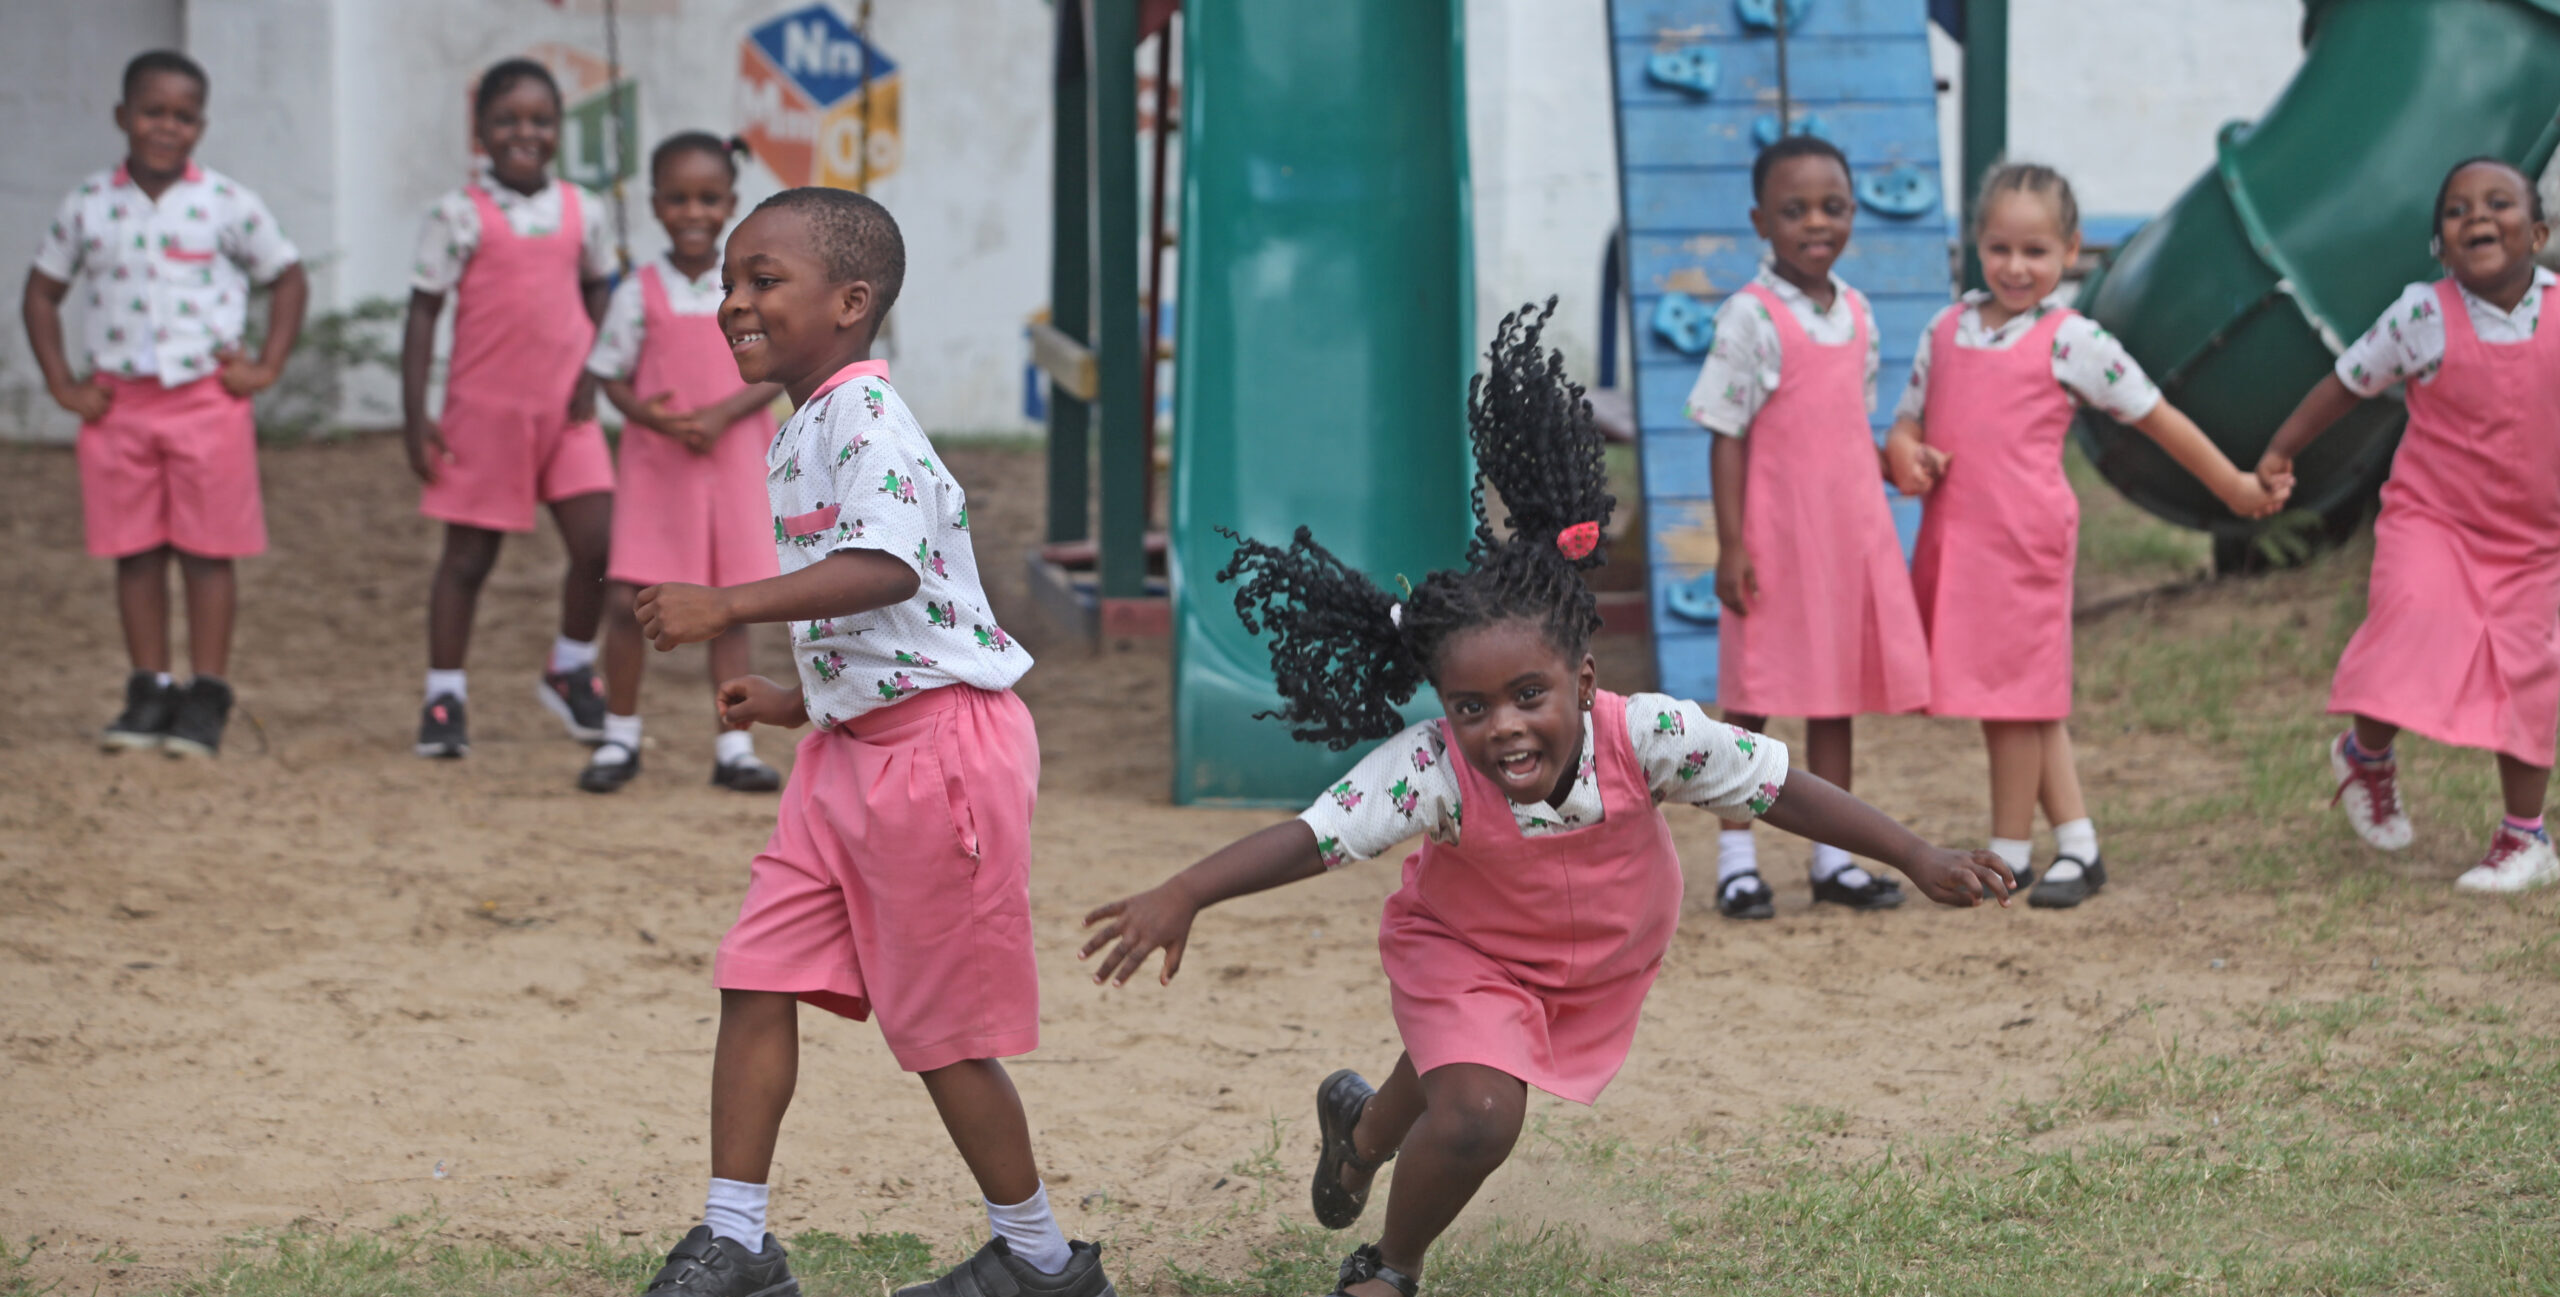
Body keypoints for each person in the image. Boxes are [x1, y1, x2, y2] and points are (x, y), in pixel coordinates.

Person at [1081, 301, 2014, 1297]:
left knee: (1462, 1071)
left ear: (1581, 675)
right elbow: (1312, 840)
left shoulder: (1647, 732)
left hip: (1597, 955)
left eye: (1529, 695)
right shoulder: (1430, 768)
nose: (1503, 727)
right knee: (1482, 1110)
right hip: (1470, 948)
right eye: (1470, 705)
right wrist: (1184, 891)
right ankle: (1385, 1269)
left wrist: (1913, 854)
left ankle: (1359, 1130)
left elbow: (1779, 784)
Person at [628, 188, 1113, 1297]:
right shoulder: (806, 420)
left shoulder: (864, 416)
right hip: (843, 757)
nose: (734, 302)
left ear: (850, 303)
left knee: (940, 1032)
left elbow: (889, 565)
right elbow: (896, 610)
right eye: (729, 284)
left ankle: (1041, 1261)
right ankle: (736, 1238)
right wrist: (799, 698)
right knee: (756, 971)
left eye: (763, 281)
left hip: (937, 758)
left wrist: (727, 603)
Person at [1882, 163, 2285, 908]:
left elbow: (2156, 415)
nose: (2015, 266)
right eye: (2000, 248)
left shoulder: (2076, 341)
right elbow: (1906, 420)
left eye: (2036, 251)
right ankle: (2080, 844)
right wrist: (1906, 452)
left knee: (2012, 702)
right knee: (2026, 700)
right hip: (1957, 540)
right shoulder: (1944, 331)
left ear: (2071, 252)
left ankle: (2007, 853)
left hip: (2024, 544)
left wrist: (2232, 485)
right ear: (1977, 245)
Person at [2259, 156, 2558, 894]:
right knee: (2410, 624)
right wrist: (2279, 449)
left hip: (2537, 539)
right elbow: (2346, 383)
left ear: (2541, 231)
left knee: (2528, 672)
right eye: (2456, 212)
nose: (2477, 217)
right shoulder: (2422, 315)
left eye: (2498, 204)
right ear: (2439, 248)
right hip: (2437, 520)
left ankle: (2525, 837)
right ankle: (2366, 755)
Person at [22, 50, 308, 758]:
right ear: (124, 117)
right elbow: (41, 292)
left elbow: (289, 275)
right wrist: (63, 383)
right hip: (120, 407)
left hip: (207, 404)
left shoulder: (226, 204)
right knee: (137, 551)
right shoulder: (89, 204)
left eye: (182, 116)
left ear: (200, 127)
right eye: (152, 112)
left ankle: (206, 694)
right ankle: (149, 688)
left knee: (209, 553)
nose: (166, 127)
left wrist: (267, 364)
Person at [1685, 135, 1932, 920]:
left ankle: (1835, 859)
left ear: (1855, 213)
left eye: (1832, 207)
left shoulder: (1858, 312)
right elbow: (1726, 432)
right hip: (1774, 539)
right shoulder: (1749, 317)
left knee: (1835, 697)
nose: (1815, 223)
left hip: (1846, 537)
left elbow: (1849, 422)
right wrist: (1731, 544)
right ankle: (1736, 860)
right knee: (1754, 699)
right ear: (1761, 221)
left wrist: (1901, 464)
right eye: (1794, 211)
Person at [402, 57, 618, 758]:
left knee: (601, 546)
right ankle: (444, 695)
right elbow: (423, 314)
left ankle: (569, 665)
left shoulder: (585, 209)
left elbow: (601, 296)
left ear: (559, 129)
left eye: (540, 120)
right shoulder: (457, 213)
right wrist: (416, 413)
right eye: (507, 120)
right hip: (483, 413)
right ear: (480, 131)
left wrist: (602, 367)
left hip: (569, 410)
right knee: (466, 560)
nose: (524, 132)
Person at [577, 132, 788, 794]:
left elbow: (778, 370)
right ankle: (620, 735)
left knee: (730, 604)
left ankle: (733, 745)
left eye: (707, 199)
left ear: (730, 204)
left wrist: (724, 415)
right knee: (626, 601)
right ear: (655, 205)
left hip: (733, 465)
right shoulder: (638, 290)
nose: (692, 212)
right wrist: (648, 415)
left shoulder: (755, 290)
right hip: (657, 468)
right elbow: (608, 374)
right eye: (677, 199)